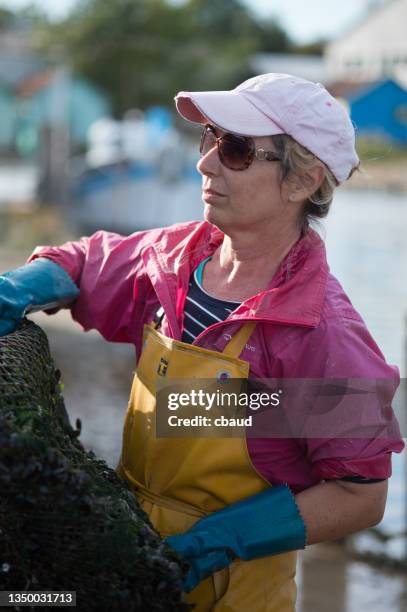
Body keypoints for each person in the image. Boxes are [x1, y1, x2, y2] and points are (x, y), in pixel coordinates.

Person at [0, 73, 404, 611]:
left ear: (301, 180)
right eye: (209, 138)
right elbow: (82, 265)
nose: (206, 163)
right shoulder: (172, 261)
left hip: (229, 591)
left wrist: (220, 540)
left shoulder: (322, 334)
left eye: (235, 149)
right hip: (127, 548)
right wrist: (20, 288)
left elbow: (361, 493)